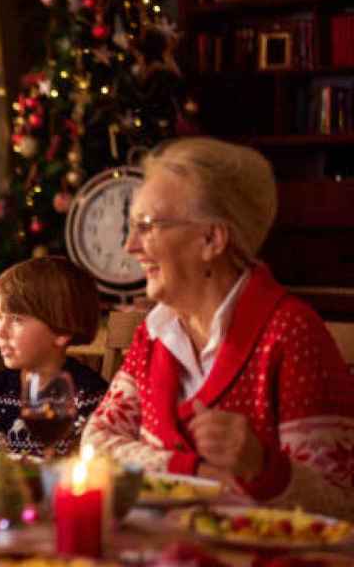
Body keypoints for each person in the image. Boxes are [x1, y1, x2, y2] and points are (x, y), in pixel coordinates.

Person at [82, 137, 354, 519]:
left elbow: (340, 505)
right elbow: (96, 444)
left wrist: (264, 468)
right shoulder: (155, 334)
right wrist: (190, 472)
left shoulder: (291, 335)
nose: (130, 246)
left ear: (211, 239)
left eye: (147, 226)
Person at [0, 256, 107, 457]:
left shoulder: (88, 397)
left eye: (16, 319)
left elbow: (86, 470)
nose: (0, 332)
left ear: (61, 331)